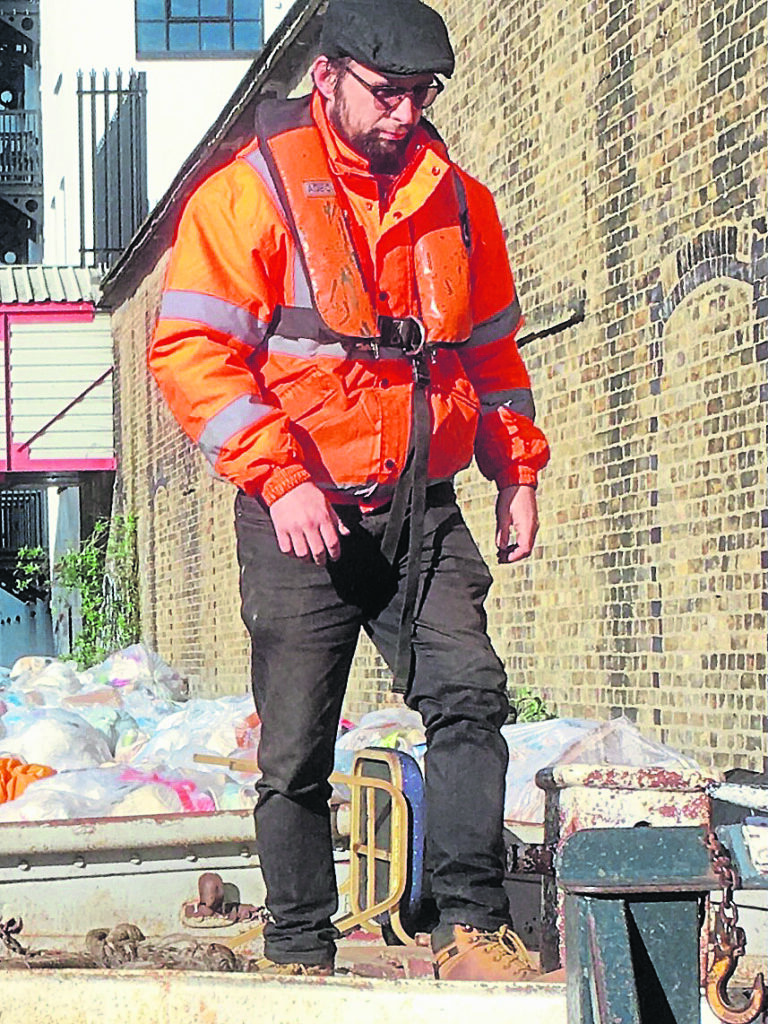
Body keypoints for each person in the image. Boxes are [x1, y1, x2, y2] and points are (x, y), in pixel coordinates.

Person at [148, 0, 550, 982]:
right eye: (386, 93)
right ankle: (298, 949)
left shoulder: (461, 202)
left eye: (420, 96)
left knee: (470, 699)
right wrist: (281, 479)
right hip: (300, 514)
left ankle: (470, 928)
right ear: (325, 78)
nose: (405, 113)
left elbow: (490, 351)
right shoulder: (246, 199)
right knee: (295, 748)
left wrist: (517, 469)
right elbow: (193, 353)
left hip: (425, 507)